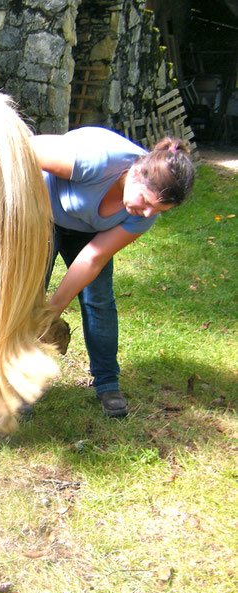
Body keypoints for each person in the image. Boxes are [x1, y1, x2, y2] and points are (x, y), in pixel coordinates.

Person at [32, 127, 195, 417]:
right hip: (40, 213)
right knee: (28, 297)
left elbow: (93, 259)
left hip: (89, 232)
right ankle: (16, 385)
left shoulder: (144, 217)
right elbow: (21, 149)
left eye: (157, 210)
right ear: (134, 173)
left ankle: (107, 382)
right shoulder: (96, 159)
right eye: (146, 202)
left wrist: (52, 314)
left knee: (100, 301)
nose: (147, 214)